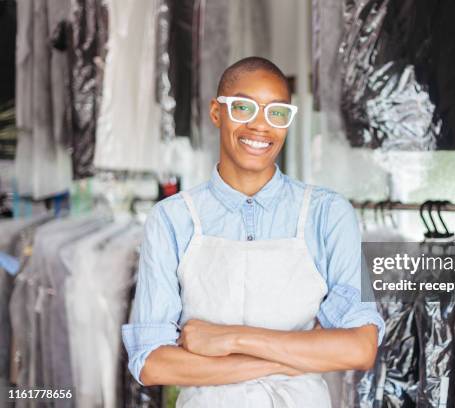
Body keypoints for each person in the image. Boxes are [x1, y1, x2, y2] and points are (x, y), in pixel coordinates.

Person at [122, 56, 385, 407]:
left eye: (277, 113)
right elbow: (151, 362)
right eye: (244, 108)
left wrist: (231, 339)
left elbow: (360, 347)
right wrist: (291, 358)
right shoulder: (171, 219)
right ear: (217, 112)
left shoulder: (330, 214)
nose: (260, 126)